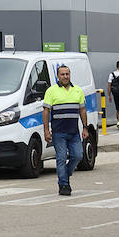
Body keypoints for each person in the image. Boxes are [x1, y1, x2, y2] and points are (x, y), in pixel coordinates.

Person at [43, 62, 89, 197]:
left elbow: (82, 110)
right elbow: (46, 111)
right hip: (59, 133)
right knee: (61, 158)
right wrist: (46, 130)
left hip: (74, 132)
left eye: (67, 74)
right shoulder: (51, 91)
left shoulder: (78, 90)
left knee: (78, 155)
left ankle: (65, 174)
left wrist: (85, 127)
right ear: (58, 76)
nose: (65, 76)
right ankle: (64, 185)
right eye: (62, 74)